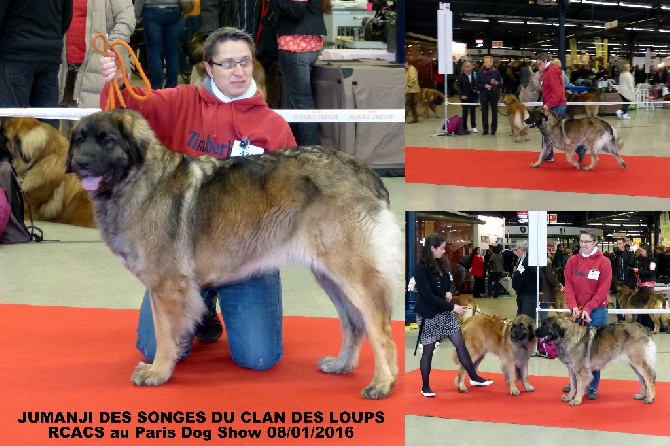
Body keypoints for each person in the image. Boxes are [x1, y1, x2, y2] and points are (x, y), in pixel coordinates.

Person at [98, 26, 297, 369]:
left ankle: (212, 304)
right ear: (208, 67)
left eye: (245, 62)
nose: (239, 71)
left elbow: (288, 199)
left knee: (259, 358)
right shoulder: (180, 101)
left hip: (245, 258)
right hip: (180, 255)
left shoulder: (274, 126)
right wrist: (116, 81)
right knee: (150, 349)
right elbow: (124, 111)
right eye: (229, 63)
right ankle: (201, 310)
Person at [414, 233, 493, 397]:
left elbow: (450, 281)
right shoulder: (420, 269)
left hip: (445, 312)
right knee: (428, 351)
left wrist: (450, 291)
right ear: (432, 248)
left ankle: (474, 377)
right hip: (429, 315)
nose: (444, 251)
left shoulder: (444, 263)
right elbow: (428, 296)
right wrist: (452, 307)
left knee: (460, 345)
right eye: (441, 248)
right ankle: (425, 386)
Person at [59, 0, 135, 132]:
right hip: (64, 73)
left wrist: (109, 47)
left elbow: (126, 18)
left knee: (97, 136)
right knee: (64, 139)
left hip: (100, 71)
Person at [0, 0, 73, 129]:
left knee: (13, 126)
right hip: (49, 55)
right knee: (48, 125)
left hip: (15, 54)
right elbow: (67, 15)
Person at [271, 0, 329, 144]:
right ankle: (299, 148)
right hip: (306, 44)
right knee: (297, 102)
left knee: (301, 103)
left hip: (295, 45)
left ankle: (309, 152)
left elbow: (297, 8)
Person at [563, 229, 612, 400]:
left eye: (587, 242)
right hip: (576, 311)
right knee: (573, 350)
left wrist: (588, 309)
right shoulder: (572, 261)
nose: (583, 245)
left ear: (595, 242)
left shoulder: (604, 262)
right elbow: (568, 285)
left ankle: (592, 386)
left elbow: (603, 289)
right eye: (581, 241)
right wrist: (573, 306)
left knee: (593, 351)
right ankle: (575, 383)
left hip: (596, 311)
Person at [134, 0, 183, 89]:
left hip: (152, 10)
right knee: (172, 53)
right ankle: (171, 89)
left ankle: (156, 89)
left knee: (154, 51)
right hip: (174, 9)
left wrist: (136, 14)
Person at [535, 53, 567, 163]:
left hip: (556, 106)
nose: (538, 67)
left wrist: (547, 105)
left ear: (544, 61)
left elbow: (557, 92)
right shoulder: (548, 71)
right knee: (556, 133)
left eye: (539, 64)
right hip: (555, 105)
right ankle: (548, 155)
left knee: (551, 132)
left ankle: (580, 149)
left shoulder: (551, 72)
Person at [511, 240, 538, 320]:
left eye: (517, 249)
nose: (515, 251)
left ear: (522, 249)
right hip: (521, 293)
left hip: (529, 295)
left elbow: (537, 275)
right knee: (520, 318)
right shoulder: (521, 260)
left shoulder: (530, 260)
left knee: (526, 319)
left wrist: (538, 289)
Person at [475, 55, 502, 135]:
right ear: (484, 63)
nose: (488, 63)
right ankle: (485, 129)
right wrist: (484, 86)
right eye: (486, 62)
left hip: (494, 94)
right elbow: (477, 84)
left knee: (494, 112)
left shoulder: (496, 71)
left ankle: (493, 129)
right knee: (484, 112)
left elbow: (500, 83)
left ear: (492, 62)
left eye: (489, 62)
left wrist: (496, 83)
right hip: (484, 94)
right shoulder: (480, 72)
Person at [457, 61, 478, 133]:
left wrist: (476, 90)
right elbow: (458, 87)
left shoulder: (474, 75)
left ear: (472, 67)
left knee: (473, 112)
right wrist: (461, 95)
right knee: (465, 112)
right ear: (463, 68)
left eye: (469, 67)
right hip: (464, 97)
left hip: (473, 96)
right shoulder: (460, 76)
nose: (467, 68)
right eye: (466, 67)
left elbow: (477, 84)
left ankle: (473, 126)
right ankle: (464, 127)